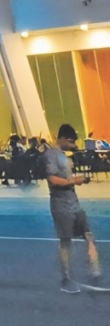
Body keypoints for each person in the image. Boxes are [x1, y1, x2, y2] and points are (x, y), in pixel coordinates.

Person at [42, 123, 103, 294]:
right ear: (61, 138)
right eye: (70, 141)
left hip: (74, 203)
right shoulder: (51, 156)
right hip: (61, 205)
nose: (73, 145)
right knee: (66, 242)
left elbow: (67, 178)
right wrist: (74, 181)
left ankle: (95, 273)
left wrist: (79, 179)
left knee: (89, 236)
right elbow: (53, 180)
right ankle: (65, 280)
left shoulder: (64, 156)